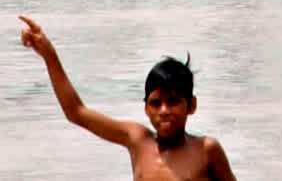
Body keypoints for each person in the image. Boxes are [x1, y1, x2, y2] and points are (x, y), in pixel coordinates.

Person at [17, 16, 237, 180]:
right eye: (156, 103)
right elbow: (76, 112)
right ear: (146, 109)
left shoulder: (206, 150)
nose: (164, 110)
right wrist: (48, 54)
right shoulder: (138, 140)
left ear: (192, 105)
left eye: (173, 101)